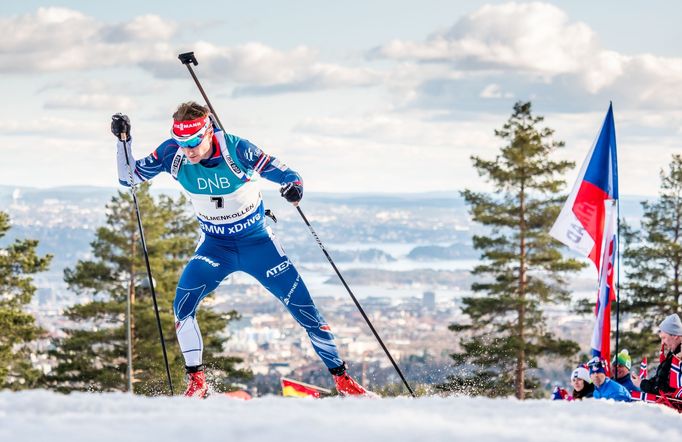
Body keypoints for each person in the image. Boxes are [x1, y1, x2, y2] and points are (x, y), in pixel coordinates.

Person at [111, 103, 371, 398]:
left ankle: (343, 380)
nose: (188, 150)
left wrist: (292, 187)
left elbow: (286, 173)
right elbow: (128, 178)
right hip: (215, 247)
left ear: (208, 131)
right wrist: (123, 141)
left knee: (305, 309)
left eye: (194, 142)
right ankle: (197, 383)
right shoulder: (173, 153)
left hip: (257, 244)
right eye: (182, 142)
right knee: (182, 306)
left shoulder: (237, 150)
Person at [631, 313, 682, 396]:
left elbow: (666, 390)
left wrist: (642, 384)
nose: (662, 343)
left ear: (675, 336)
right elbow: (661, 380)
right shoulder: (673, 353)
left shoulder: (679, 358)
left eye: (664, 338)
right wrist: (642, 382)